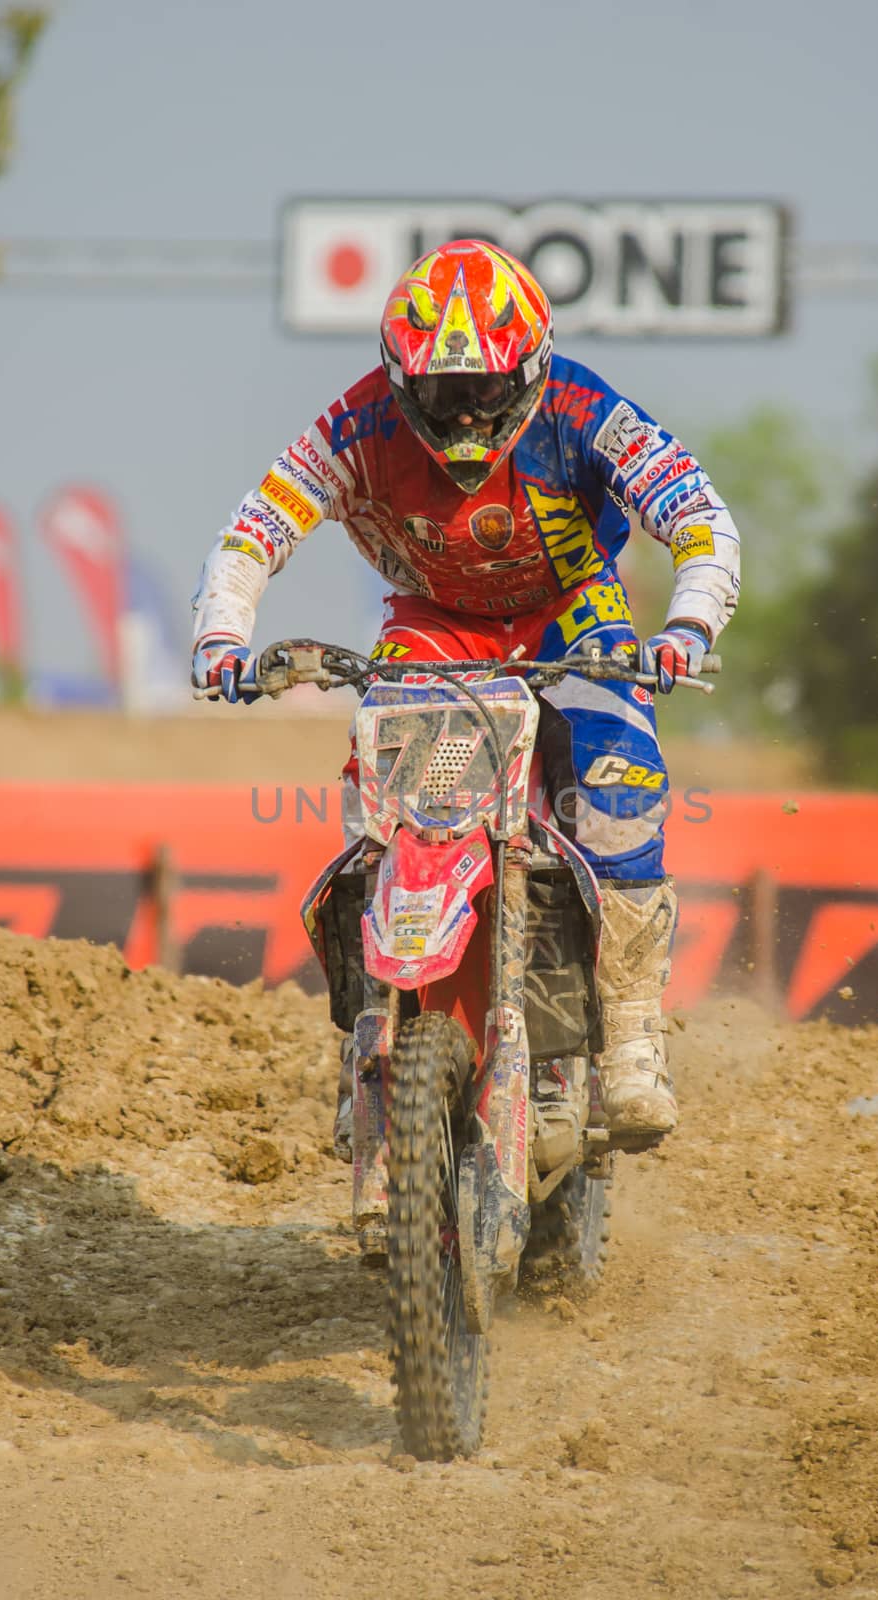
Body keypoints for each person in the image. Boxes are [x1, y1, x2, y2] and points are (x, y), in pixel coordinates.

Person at [191, 239, 740, 1146]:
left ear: (530, 368)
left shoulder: (585, 408)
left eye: (486, 391)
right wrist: (222, 636)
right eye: (442, 397)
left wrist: (686, 629)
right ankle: (371, 1037)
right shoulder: (356, 426)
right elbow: (253, 530)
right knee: (381, 793)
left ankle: (635, 1030)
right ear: (399, 382)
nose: (466, 419)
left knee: (618, 780)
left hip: (575, 614)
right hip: (434, 624)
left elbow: (697, 514)